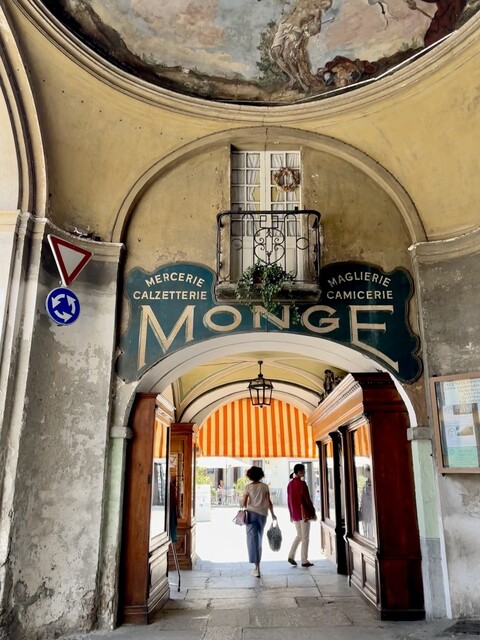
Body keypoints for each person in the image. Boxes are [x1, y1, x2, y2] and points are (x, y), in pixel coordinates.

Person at [241, 466, 276, 577]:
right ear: (261, 475)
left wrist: (243, 500)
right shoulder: (264, 486)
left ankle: (256, 567)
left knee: (252, 540)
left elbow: (243, 503)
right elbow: (269, 502)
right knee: (259, 539)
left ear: (250, 475)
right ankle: (258, 566)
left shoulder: (247, 487)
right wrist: (273, 514)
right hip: (262, 515)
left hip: (251, 515)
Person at [287, 463, 317, 567]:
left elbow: (289, 501)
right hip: (303, 514)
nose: (304, 472)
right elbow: (307, 500)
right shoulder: (302, 484)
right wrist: (313, 511)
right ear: (299, 472)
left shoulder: (290, 484)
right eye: (303, 470)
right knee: (305, 537)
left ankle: (291, 555)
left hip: (295, 514)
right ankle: (304, 560)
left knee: (299, 535)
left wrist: (291, 514)